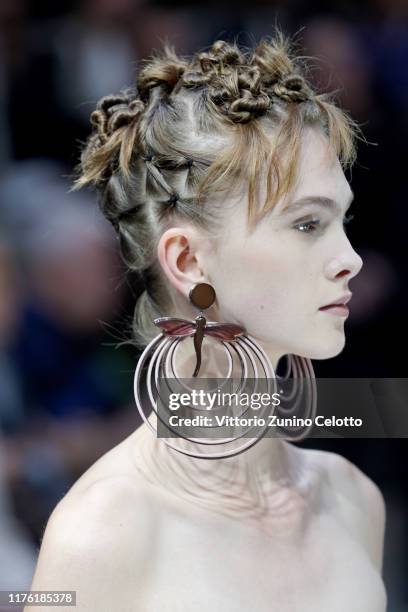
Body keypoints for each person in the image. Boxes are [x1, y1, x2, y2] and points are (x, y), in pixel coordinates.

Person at [26, 31, 387, 611]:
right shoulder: (103, 534)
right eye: (306, 224)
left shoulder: (351, 499)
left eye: (342, 220)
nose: (351, 259)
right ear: (188, 260)